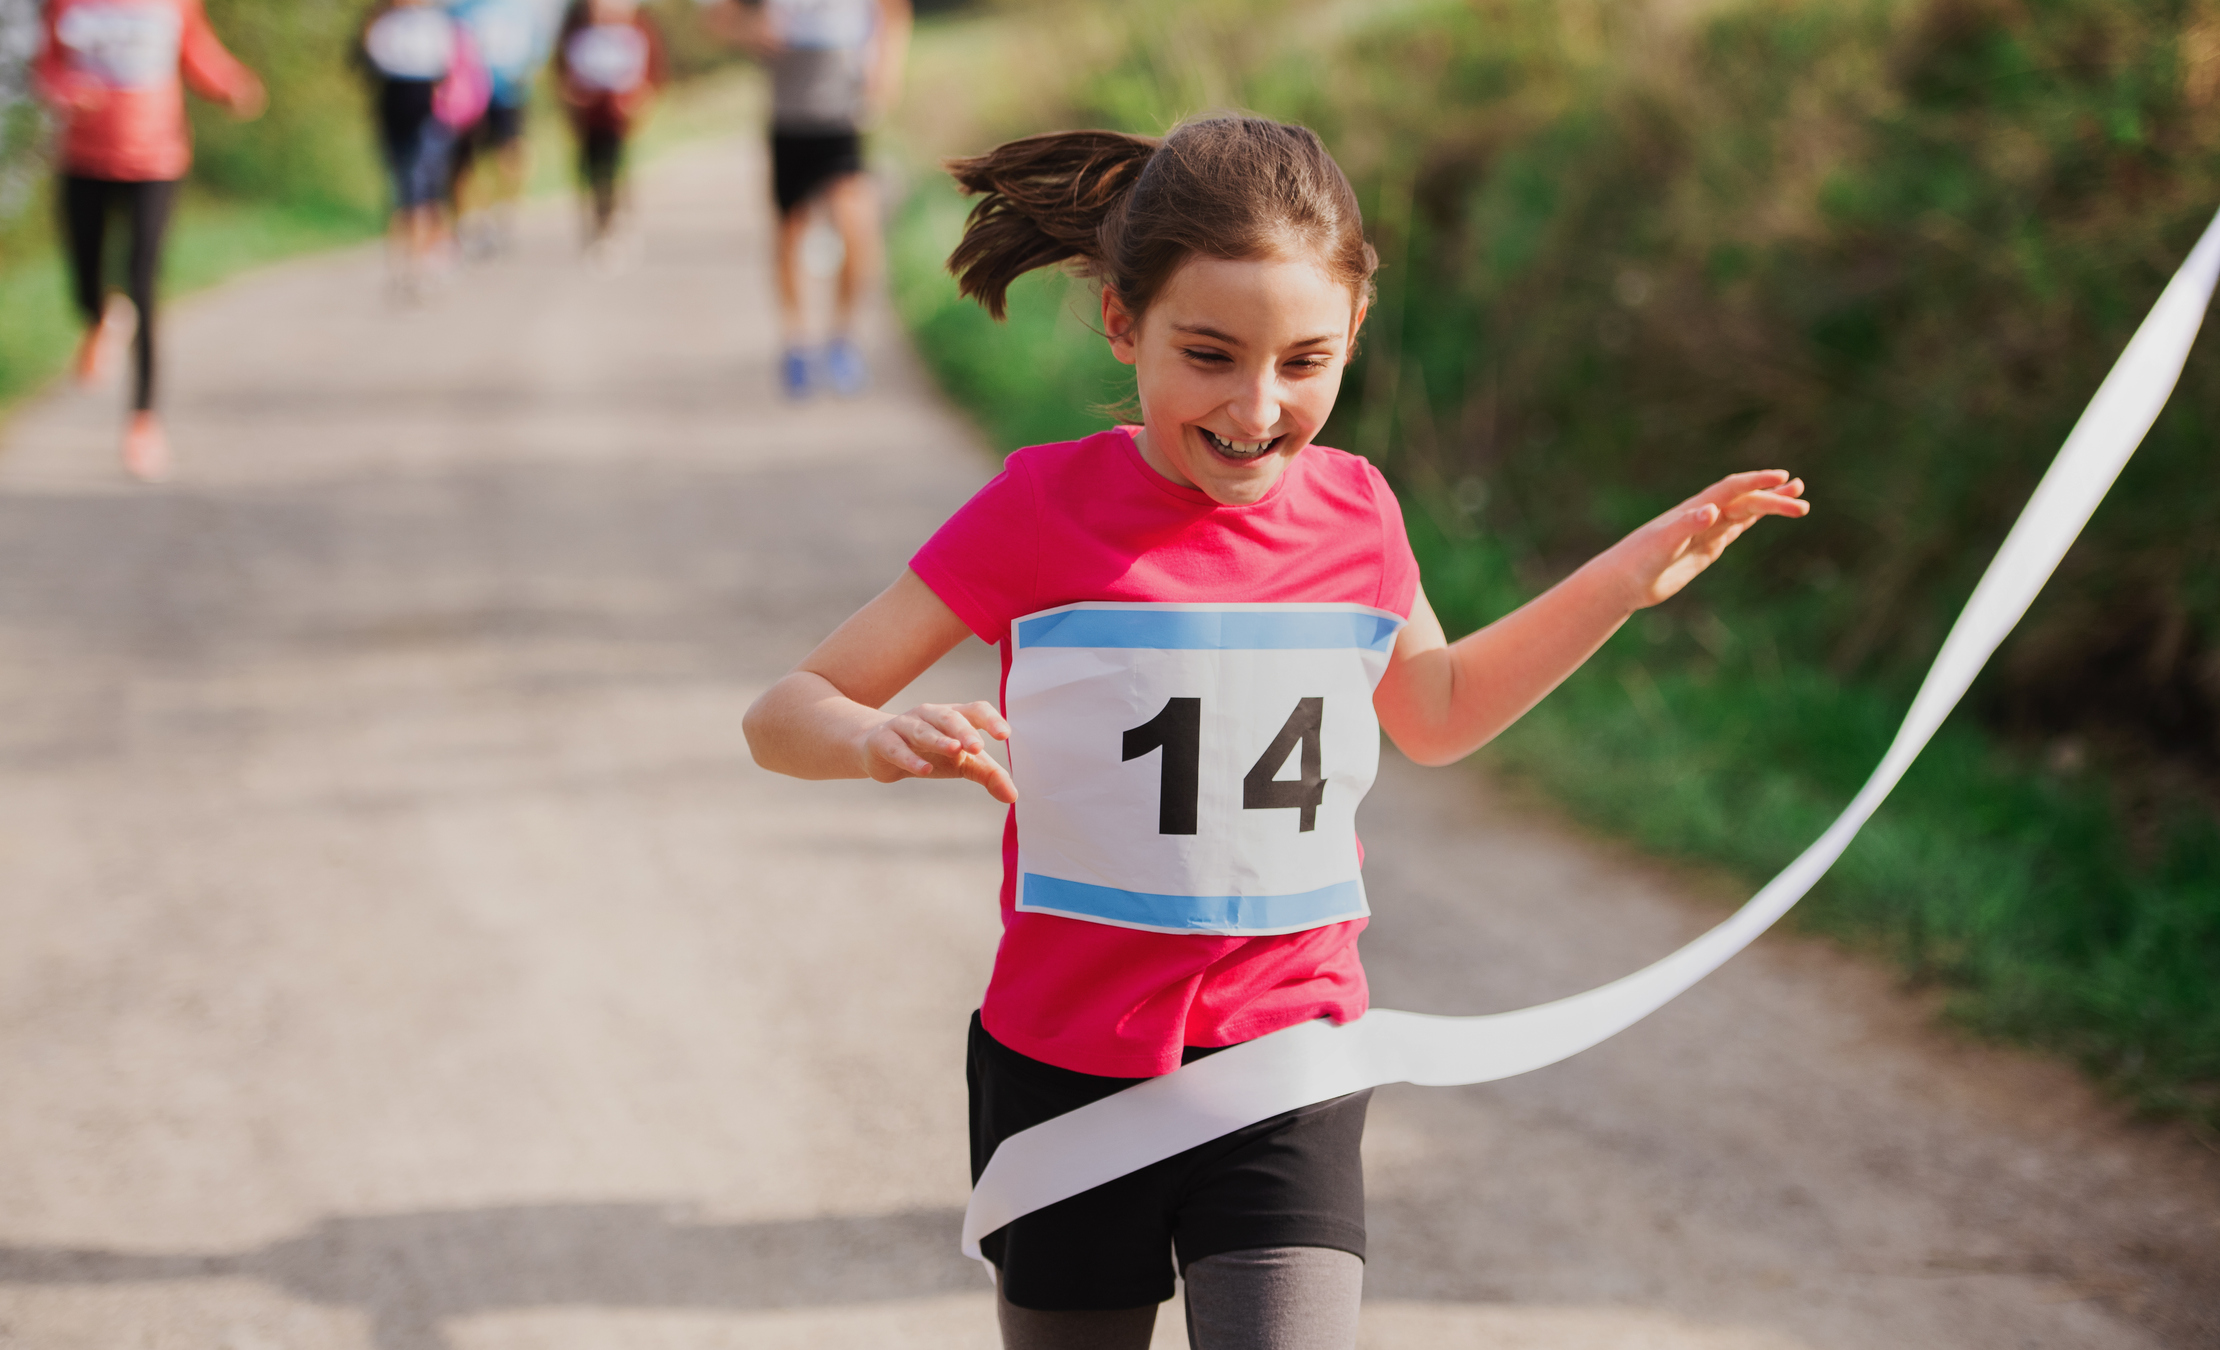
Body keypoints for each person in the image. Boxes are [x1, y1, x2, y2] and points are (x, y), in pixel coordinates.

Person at [741, 117, 1811, 1349]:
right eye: (1209, 354)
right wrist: (876, 737)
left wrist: (1620, 581)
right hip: (1066, 1068)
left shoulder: (1359, 511)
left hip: (1286, 1062)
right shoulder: (1041, 508)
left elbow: (1441, 712)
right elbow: (786, 714)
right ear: (1121, 325)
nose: (1257, 407)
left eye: (1307, 362)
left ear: (1354, 336)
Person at [34, 0, 265, 481]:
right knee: (83, 275)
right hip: (83, 158)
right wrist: (63, 89)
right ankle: (100, 315)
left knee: (143, 285)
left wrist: (232, 86)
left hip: (154, 161)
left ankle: (143, 424)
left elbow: (197, 54)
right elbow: (48, 64)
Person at [708, 0, 910, 398]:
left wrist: (886, 70)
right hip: (789, 118)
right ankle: (796, 344)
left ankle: (842, 340)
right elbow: (717, 17)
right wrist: (751, 30)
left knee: (857, 227)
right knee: (789, 233)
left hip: (842, 116)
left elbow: (894, 12)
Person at [358, 0, 484, 297]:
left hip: (432, 116)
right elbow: (363, 65)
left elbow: (459, 74)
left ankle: (418, 261)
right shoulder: (380, 24)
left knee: (422, 186)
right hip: (393, 114)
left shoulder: (444, 27)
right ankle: (406, 262)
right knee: (402, 188)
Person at [554, 0, 663, 257]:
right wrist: (568, 95)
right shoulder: (575, 23)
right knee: (590, 173)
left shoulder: (635, 24)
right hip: (587, 115)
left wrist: (642, 97)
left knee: (618, 170)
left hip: (619, 115)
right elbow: (563, 67)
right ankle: (598, 226)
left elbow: (652, 66)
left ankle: (619, 222)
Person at [445, 0, 549, 256]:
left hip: (508, 92)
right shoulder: (459, 9)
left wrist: (526, 76)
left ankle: (505, 209)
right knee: (464, 160)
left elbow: (536, 50)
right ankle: (468, 219)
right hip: (468, 95)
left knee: (512, 153)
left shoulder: (520, 9)